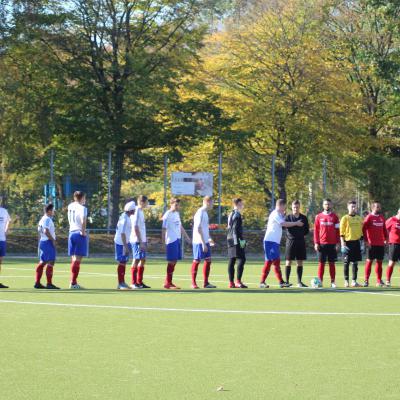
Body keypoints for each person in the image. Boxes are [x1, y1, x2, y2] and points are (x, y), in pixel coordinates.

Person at [260, 199, 304, 288]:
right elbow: (283, 224)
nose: (285, 209)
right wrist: (296, 223)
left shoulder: (279, 214)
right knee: (269, 261)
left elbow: (282, 222)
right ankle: (262, 282)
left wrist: (285, 217)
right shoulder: (275, 213)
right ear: (281, 206)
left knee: (276, 261)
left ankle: (281, 282)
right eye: (284, 206)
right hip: (270, 241)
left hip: (274, 242)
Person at [162, 198, 191, 290]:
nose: (178, 206)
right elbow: (163, 229)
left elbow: (180, 226)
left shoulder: (177, 214)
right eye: (176, 205)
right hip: (171, 240)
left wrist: (187, 237)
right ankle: (167, 283)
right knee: (171, 261)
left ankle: (169, 282)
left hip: (177, 239)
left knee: (174, 261)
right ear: (171, 204)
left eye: (178, 205)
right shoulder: (167, 214)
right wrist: (163, 242)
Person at [314, 199, 340, 288]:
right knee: (321, 263)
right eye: (325, 204)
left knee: (332, 263)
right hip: (322, 244)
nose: (327, 206)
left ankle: (333, 282)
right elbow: (316, 231)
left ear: (331, 205)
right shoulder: (318, 217)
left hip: (332, 244)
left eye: (328, 204)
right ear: (323, 205)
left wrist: (337, 243)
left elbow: (337, 231)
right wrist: (316, 243)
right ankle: (319, 282)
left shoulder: (335, 217)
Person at [191, 196, 216, 289]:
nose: (213, 204)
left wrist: (209, 239)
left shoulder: (205, 213)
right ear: (208, 202)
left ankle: (206, 283)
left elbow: (205, 228)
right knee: (197, 260)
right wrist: (203, 243)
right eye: (213, 202)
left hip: (205, 241)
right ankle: (193, 283)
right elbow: (198, 228)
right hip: (199, 241)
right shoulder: (200, 212)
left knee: (208, 260)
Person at [284, 200, 310, 288]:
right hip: (290, 242)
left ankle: (299, 282)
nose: (296, 209)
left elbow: (306, 230)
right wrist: (296, 224)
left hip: (300, 242)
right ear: (292, 207)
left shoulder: (304, 218)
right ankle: (287, 282)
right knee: (288, 261)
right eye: (294, 207)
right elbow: (285, 225)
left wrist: (300, 234)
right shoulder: (288, 217)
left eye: (297, 207)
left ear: (299, 207)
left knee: (300, 262)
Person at [362, 201, 387, 287]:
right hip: (371, 244)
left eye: (379, 207)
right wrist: (366, 241)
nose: (379, 208)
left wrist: (386, 239)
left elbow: (384, 229)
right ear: (373, 208)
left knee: (379, 262)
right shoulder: (369, 217)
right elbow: (363, 229)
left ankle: (379, 281)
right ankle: (366, 280)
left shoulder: (382, 218)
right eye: (377, 207)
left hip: (380, 244)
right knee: (369, 261)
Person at [35, 203, 59, 289]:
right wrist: (53, 240)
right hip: (47, 242)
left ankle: (37, 282)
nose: (54, 212)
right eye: (53, 210)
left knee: (43, 262)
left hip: (43, 241)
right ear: (49, 211)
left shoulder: (42, 219)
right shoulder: (48, 219)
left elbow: (40, 230)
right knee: (51, 261)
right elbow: (46, 231)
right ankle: (49, 284)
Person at [68, 191, 88, 289]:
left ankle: (72, 281)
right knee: (78, 259)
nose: (85, 200)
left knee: (73, 258)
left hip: (71, 232)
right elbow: (83, 220)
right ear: (82, 198)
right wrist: (83, 232)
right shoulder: (83, 208)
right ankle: (73, 283)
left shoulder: (70, 206)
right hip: (78, 233)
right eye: (84, 198)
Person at [340, 200, 363, 287]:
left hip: (356, 243)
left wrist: (362, 244)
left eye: (355, 206)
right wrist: (343, 244)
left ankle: (354, 281)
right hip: (347, 243)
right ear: (348, 207)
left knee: (355, 263)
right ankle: (346, 281)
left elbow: (361, 232)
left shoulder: (359, 218)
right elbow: (341, 233)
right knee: (346, 262)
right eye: (352, 206)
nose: (353, 208)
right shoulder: (345, 218)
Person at [130, 195, 151, 289]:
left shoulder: (141, 211)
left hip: (142, 239)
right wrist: (140, 241)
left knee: (143, 259)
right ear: (142, 202)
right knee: (136, 259)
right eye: (146, 202)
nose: (147, 204)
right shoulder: (137, 211)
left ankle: (139, 282)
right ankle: (133, 282)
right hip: (137, 240)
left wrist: (144, 239)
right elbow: (135, 227)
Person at [114, 201, 136, 290]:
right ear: (131, 210)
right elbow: (122, 233)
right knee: (122, 261)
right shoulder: (124, 218)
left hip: (125, 242)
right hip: (121, 242)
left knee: (124, 262)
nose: (135, 210)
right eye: (134, 209)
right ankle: (120, 283)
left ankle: (122, 282)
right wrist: (126, 246)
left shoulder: (126, 217)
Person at [227, 198, 247, 288]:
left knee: (232, 260)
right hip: (236, 239)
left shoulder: (230, 214)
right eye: (241, 204)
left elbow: (229, 228)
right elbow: (235, 229)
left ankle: (231, 283)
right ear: (238, 204)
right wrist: (239, 242)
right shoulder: (237, 215)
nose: (242, 205)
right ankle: (238, 281)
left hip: (229, 238)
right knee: (242, 259)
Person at [384, 209, 400, 287]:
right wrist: (385, 239)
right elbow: (384, 228)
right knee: (392, 262)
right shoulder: (392, 219)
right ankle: (388, 280)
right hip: (394, 244)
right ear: (398, 212)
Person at [0, 201, 11, 289]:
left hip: (2, 239)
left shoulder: (4, 211)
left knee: (0, 261)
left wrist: (6, 230)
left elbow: (9, 221)